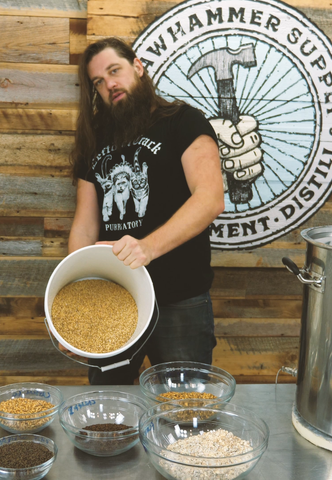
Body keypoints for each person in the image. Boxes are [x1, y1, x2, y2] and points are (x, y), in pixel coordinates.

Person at [67, 37, 225, 385]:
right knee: (107, 411)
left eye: (114, 71)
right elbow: (85, 226)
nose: (109, 84)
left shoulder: (184, 121)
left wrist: (146, 248)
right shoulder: (94, 138)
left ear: (137, 67)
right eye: (98, 82)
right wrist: (76, 294)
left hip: (180, 298)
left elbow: (210, 198)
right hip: (114, 299)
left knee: (185, 412)